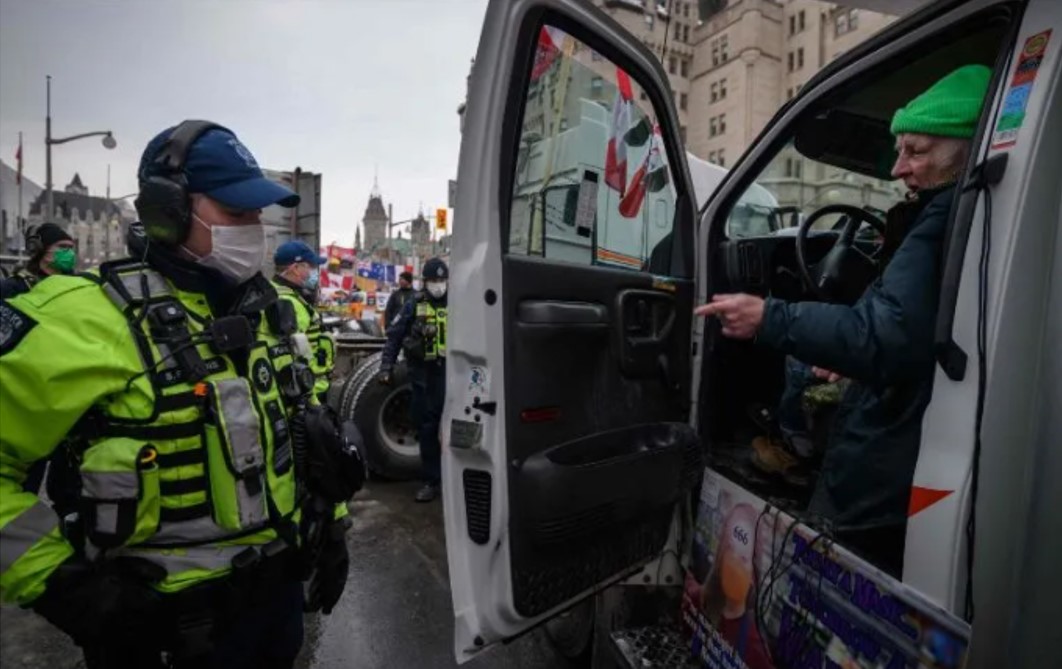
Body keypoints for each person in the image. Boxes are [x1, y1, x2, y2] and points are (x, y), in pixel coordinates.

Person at [0, 120, 358, 668]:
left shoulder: (270, 315)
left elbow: (306, 435)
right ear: (167, 211)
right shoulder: (84, 319)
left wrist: (331, 524)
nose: (252, 229)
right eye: (235, 212)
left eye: (257, 215)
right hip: (161, 628)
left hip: (274, 609)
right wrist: (68, 589)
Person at [696, 65, 992, 576]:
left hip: (886, 450)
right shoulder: (952, 212)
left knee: (828, 572)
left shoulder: (944, 217)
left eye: (916, 151)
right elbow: (907, 327)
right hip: (908, 415)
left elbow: (884, 335)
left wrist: (770, 315)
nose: (899, 168)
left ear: (965, 149)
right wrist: (852, 356)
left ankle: (794, 447)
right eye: (901, 150)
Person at [378, 258, 448, 503]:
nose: (438, 285)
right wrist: (386, 366)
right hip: (423, 375)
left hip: (453, 373)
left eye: (442, 280)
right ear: (425, 282)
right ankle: (431, 481)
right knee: (426, 426)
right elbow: (394, 337)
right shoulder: (413, 303)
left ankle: (456, 476)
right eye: (433, 281)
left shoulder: (460, 303)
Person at [272, 240, 334, 404]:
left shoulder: (277, 293)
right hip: (307, 391)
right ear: (295, 268)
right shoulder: (289, 303)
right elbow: (296, 357)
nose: (314, 272)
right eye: (311, 266)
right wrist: (312, 401)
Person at [0, 223, 77, 299]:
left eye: (70, 247)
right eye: (62, 246)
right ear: (41, 249)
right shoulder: (15, 286)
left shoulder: (77, 284)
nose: (69, 252)